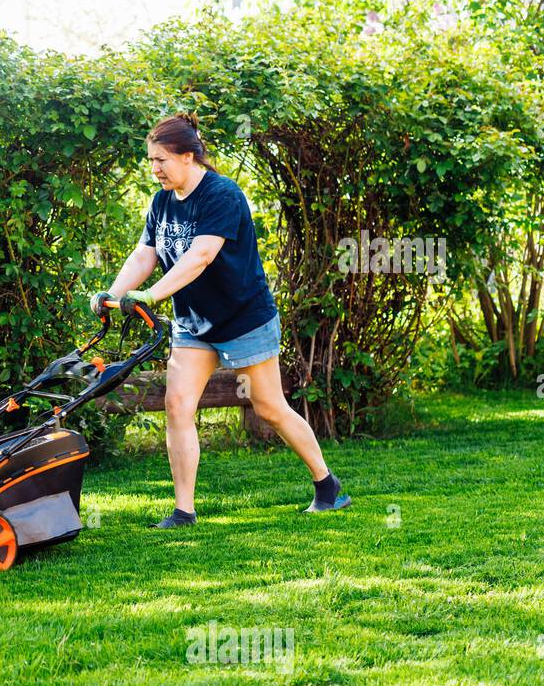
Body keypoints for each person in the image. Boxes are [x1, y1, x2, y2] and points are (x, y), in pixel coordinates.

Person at [90, 113, 351, 528]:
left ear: (188, 156)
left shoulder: (222, 195)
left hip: (243, 318)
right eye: (151, 161)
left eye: (161, 160)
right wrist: (114, 293)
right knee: (177, 405)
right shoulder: (161, 202)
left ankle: (327, 486)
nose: (154, 169)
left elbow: (201, 256)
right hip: (194, 323)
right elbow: (146, 254)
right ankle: (183, 511)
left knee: (269, 407)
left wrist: (152, 295)